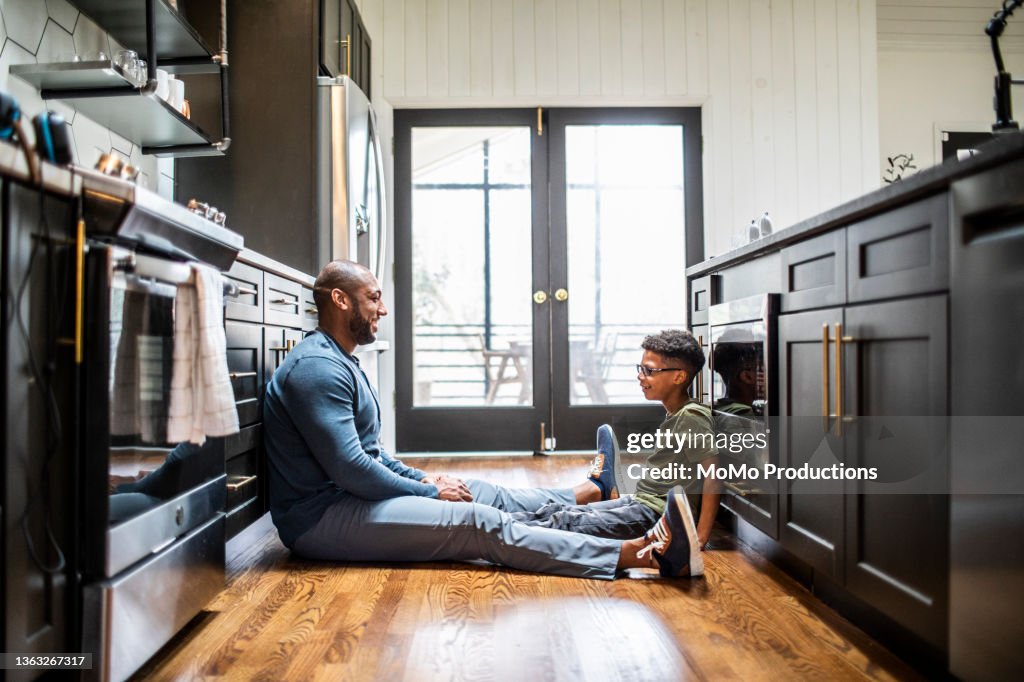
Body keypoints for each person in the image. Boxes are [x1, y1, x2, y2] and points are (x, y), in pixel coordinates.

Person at [262, 260, 703, 580]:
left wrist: (424, 481)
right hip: (320, 519)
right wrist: (425, 488)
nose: (383, 308)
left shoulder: (341, 362)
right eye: (373, 298)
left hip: (352, 499)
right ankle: (641, 555)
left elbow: (371, 454)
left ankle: (588, 492)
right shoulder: (317, 370)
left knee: (479, 492)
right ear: (340, 300)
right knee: (476, 522)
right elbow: (351, 469)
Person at [509, 330, 722, 548]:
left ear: (678, 376)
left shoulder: (691, 417)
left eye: (649, 370)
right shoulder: (677, 414)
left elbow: (713, 475)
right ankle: (488, 523)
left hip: (654, 515)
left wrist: (700, 537)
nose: (640, 376)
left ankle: (491, 530)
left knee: (565, 522)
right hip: (641, 502)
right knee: (559, 511)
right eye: (641, 369)